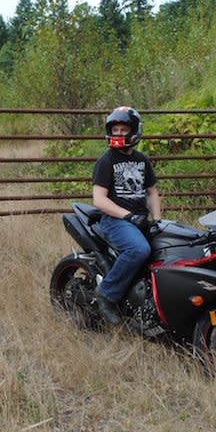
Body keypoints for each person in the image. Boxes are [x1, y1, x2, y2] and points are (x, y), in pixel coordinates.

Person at [91, 106, 162, 325]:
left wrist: (158, 220)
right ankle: (106, 294)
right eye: (116, 129)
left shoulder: (141, 160)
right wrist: (128, 216)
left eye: (123, 129)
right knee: (139, 249)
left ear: (134, 131)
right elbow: (99, 199)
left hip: (139, 220)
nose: (119, 134)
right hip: (115, 220)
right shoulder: (106, 161)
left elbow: (151, 192)